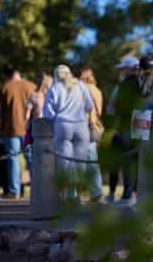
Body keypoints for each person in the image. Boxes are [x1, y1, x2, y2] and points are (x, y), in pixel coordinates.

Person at [44, 64, 94, 201]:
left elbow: (47, 113)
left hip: (63, 126)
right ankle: (76, 196)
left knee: (64, 161)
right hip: (81, 126)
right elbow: (90, 106)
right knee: (79, 162)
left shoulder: (54, 88)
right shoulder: (81, 85)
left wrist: (58, 118)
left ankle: (63, 196)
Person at [0, 66, 36, 199]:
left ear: (8, 75)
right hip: (29, 129)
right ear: (18, 73)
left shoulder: (5, 88)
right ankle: (38, 189)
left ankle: (14, 191)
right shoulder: (31, 86)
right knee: (31, 159)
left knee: (12, 160)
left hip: (10, 129)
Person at [106, 56, 141, 206]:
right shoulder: (143, 84)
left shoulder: (122, 86)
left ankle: (126, 196)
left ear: (131, 68)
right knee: (133, 162)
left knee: (125, 161)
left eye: (124, 68)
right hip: (139, 127)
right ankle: (132, 194)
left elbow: (111, 109)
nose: (122, 71)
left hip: (125, 126)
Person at [79, 66, 104, 202]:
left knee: (81, 159)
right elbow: (99, 111)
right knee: (92, 159)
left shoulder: (82, 88)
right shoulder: (97, 90)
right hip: (94, 126)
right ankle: (96, 191)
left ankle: (93, 192)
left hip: (85, 125)